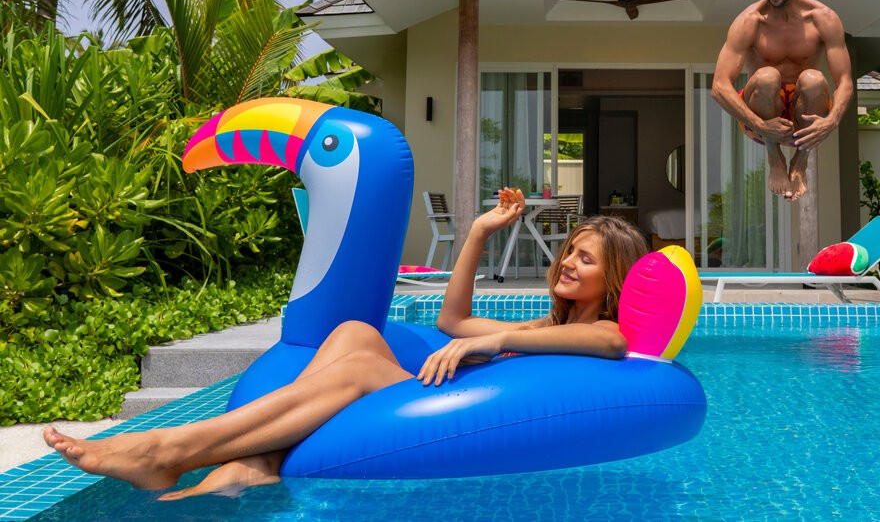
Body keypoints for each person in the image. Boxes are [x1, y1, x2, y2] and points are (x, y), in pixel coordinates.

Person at [43, 188, 649, 499]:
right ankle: (243, 467)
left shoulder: (602, 332)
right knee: (356, 333)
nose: (567, 262)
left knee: (358, 361)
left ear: (613, 276)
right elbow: (453, 319)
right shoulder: (545, 328)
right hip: (419, 398)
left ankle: (168, 451)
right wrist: (479, 232)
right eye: (569, 249)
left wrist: (486, 345)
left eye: (584, 258)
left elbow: (612, 341)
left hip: (422, 414)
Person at [711, 0, 853, 200]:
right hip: (761, 116)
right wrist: (761, 126)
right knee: (767, 76)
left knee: (813, 78)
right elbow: (719, 87)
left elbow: (844, 81)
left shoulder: (823, 18)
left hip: (804, 115)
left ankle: (802, 158)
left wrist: (832, 121)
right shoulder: (750, 21)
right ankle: (774, 156)